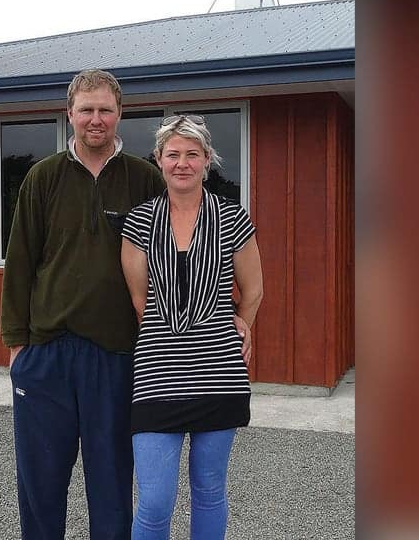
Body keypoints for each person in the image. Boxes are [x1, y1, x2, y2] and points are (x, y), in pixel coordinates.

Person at [1, 69, 252, 539]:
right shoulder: (42, 177)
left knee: (112, 482)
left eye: (105, 110)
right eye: (86, 110)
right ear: (70, 114)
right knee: (40, 481)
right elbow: (19, 263)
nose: (95, 119)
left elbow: (183, 249)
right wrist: (17, 346)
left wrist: (230, 315)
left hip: (117, 353)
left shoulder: (144, 179)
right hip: (47, 353)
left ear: (120, 114)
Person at [120, 114, 264, 540]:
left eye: (192, 154)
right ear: (159, 159)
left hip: (218, 369)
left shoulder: (233, 218)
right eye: (173, 154)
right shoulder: (138, 222)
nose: (182, 163)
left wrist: (242, 323)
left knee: (209, 490)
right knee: (154, 500)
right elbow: (141, 300)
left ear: (207, 159)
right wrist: (171, 333)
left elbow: (254, 289)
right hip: (157, 371)